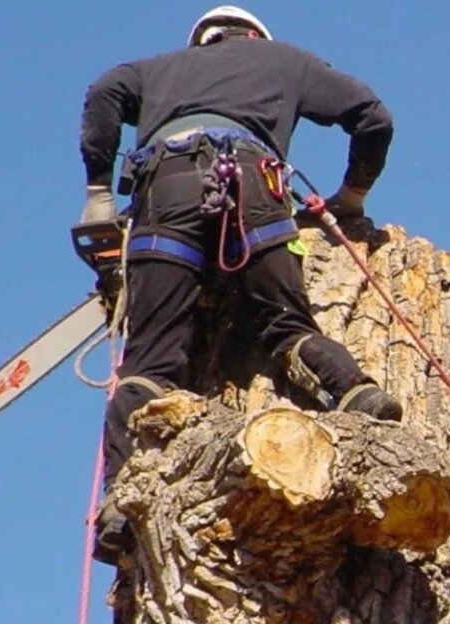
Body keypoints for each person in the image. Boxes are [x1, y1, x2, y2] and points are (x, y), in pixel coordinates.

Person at [78, 6, 402, 562]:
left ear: (202, 41)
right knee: (287, 327)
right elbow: (374, 118)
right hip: (256, 188)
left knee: (150, 363)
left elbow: (104, 92)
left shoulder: (154, 69)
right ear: (254, 36)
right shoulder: (286, 61)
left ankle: (122, 501)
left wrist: (99, 194)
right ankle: (356, 392)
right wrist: (351, 197)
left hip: (166, 192)